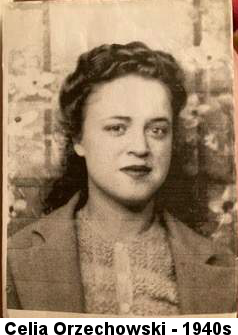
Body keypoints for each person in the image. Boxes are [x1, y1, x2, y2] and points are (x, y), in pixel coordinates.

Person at [7, 42, 236, 316]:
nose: (140, 147)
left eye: (157, 130)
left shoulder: (223, 266)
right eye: (117, 128)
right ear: (79, 139)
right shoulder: (14, 259)